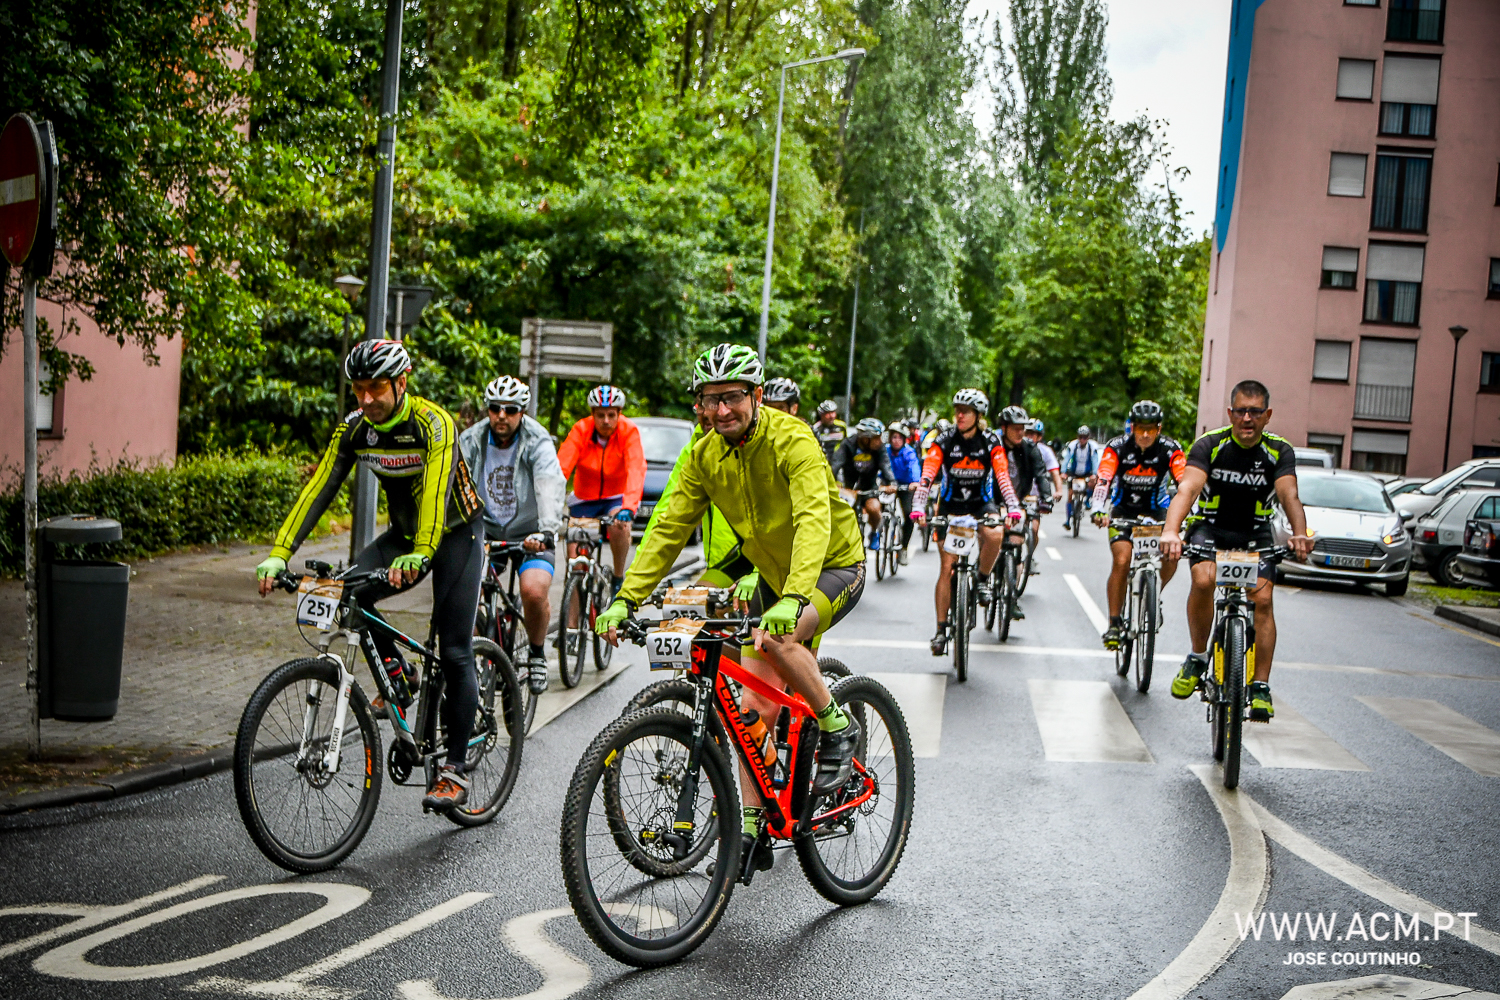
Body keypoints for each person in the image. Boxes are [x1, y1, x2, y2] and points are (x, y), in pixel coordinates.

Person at [594, 343, 866, 878]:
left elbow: (813, 521)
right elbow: (668, 528)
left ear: (756, 396)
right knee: (751, 709)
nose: (721, 410)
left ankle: (837, 724)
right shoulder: (704, 456)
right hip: (768, 573)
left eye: (733, 397)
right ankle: (753, 820)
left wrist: (795, 596)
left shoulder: (794, 440)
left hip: (831, 565)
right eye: (710, 400)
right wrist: (626, 598)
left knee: (779, 640)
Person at [254, 340, 484, 812]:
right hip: (404, 536)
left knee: (455, 650)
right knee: (347, 593)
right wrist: (280, 553)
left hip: (455, 533)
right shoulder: (356, 429)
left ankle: (456, 769)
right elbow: (320, 487)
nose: (365, 399)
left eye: (375, 388)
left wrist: (422, 554)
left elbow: (436, 492)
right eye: (358, 388)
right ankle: (401, 675)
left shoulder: (434, 423)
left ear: (401, 383)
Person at [1159, 380, 1315, 722]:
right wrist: (1171, 530)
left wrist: (1299, 533)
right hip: (1210, 528)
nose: (1247, 419)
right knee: (1203, 580)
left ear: (1267, 415)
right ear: (1230, 413)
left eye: (1255, 412)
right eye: (1241, 411)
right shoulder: (1210, 444)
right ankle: (1198, 657)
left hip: (1255, 533)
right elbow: (1188, 489)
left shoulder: (1279, 450)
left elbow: (1289, 495)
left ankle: (1260, 686)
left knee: (1263, 599)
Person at [458, 375, 564, 695]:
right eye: (495, 408)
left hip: (531, 532)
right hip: (487, 529)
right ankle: (471, 653)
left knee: (533, 591)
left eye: (510, 410)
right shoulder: (472, 439)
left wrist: (547, 530)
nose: (501, 416)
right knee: (462, 591)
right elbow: (454, 482)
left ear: (522, 412)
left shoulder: (537, 440)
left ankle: (536, 653)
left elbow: (548, 483)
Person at [912, 389, 1022, 655]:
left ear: (978, 415)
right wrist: (918, 505)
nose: (959, 415)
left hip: (981, 503)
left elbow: (1003, 476)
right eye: (957, 410)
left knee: (995, 534)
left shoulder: (991, 440)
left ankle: (982, 578)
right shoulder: (944, 440)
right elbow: (928, 475)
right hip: (950, 505)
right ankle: (941, 630)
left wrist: (1013, 506)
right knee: (947, 567)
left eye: (966, 411)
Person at [1089, 401, 1186, 651]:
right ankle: (1114, 623)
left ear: (1158, 429)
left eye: (1150, 429)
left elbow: (1185, 484)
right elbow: (1104, 479)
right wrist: (1098, 507)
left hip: (1158, 513)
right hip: (1123, 512)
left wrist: (1192, 514)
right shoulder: (1116, 447)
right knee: (1122, 561)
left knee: (1172, 555)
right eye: (1140, 428)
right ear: (1131, 427)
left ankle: (1153, 594)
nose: (1144, 434)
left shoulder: (1171, 448)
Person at [556, 385, 645, 601]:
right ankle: (570, 621)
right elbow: (561, 468)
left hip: (615, 498)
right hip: (584, 500)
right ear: (592, 414)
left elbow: (636, 469)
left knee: (620, 526)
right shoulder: (581, 430)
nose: (606, 420)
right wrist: (551, 503)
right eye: (601, 415)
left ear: (619, 414)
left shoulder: (628, 431)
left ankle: (618, 577)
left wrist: (628, 507)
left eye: (611, 415)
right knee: (575, 566)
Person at [995, 406, 1054, 613]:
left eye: (1023, 428)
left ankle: (1011, 597)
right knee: (991, 536)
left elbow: (1040, 474)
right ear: (1004, 428)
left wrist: (1047, 497)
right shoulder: (993, 445)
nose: (1021, 432)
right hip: (993, 500)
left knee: (1016, 543)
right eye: (1016, 428)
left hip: (1019, 500)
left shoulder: (1030, 448)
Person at [831, 417, 897, 545]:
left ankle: (875, 531)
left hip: (869, 486)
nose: (880, 441)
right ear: (866, 438)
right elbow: (835, 465)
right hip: (849, 488)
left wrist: (892, 483)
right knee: (844, 515)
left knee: (874, 508)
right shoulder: (847, 444)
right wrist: (832, 484)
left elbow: (885, 465)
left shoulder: (879, 447)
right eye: (876, 438)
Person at [886, 421, 921, 564]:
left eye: (899, 438)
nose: (896, 441)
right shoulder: (885, 451)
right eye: (894, 437)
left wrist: (915, 482)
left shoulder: (908, 452)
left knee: (909, 515)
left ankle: (904, 548)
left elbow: (914, 466)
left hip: (906, 486)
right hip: (888, 485)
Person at [1059, 425, 1103, 525]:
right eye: (1080, 437)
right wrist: (1063, 472)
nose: (1082, 440)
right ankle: (1068, 520)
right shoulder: (1072, 446)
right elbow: (1066, 459)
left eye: (1085, 437)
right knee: (1070, 495)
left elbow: (1095, 461)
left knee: (1093, 483)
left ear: (1088, 437)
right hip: (1074, 472)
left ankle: (1087, 500)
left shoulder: (1092, 447)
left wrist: (1095, 474)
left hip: (1087, 472)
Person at [1026, 419, 1065, 502]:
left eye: (1032, 434)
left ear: (1039, 437)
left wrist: (1059, 491)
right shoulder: (1014, 450)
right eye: (1026, 433)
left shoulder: (1046, 451)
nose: (1028, 437)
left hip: (1038, 496)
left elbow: (1055, 473)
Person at [811, 400, 848, 464]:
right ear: (821, 415)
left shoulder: (842, 426)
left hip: (838, 460)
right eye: (828, 413)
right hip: (823, 460)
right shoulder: (816, 428)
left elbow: (846, 443)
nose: (831, 416)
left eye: (833, 412)